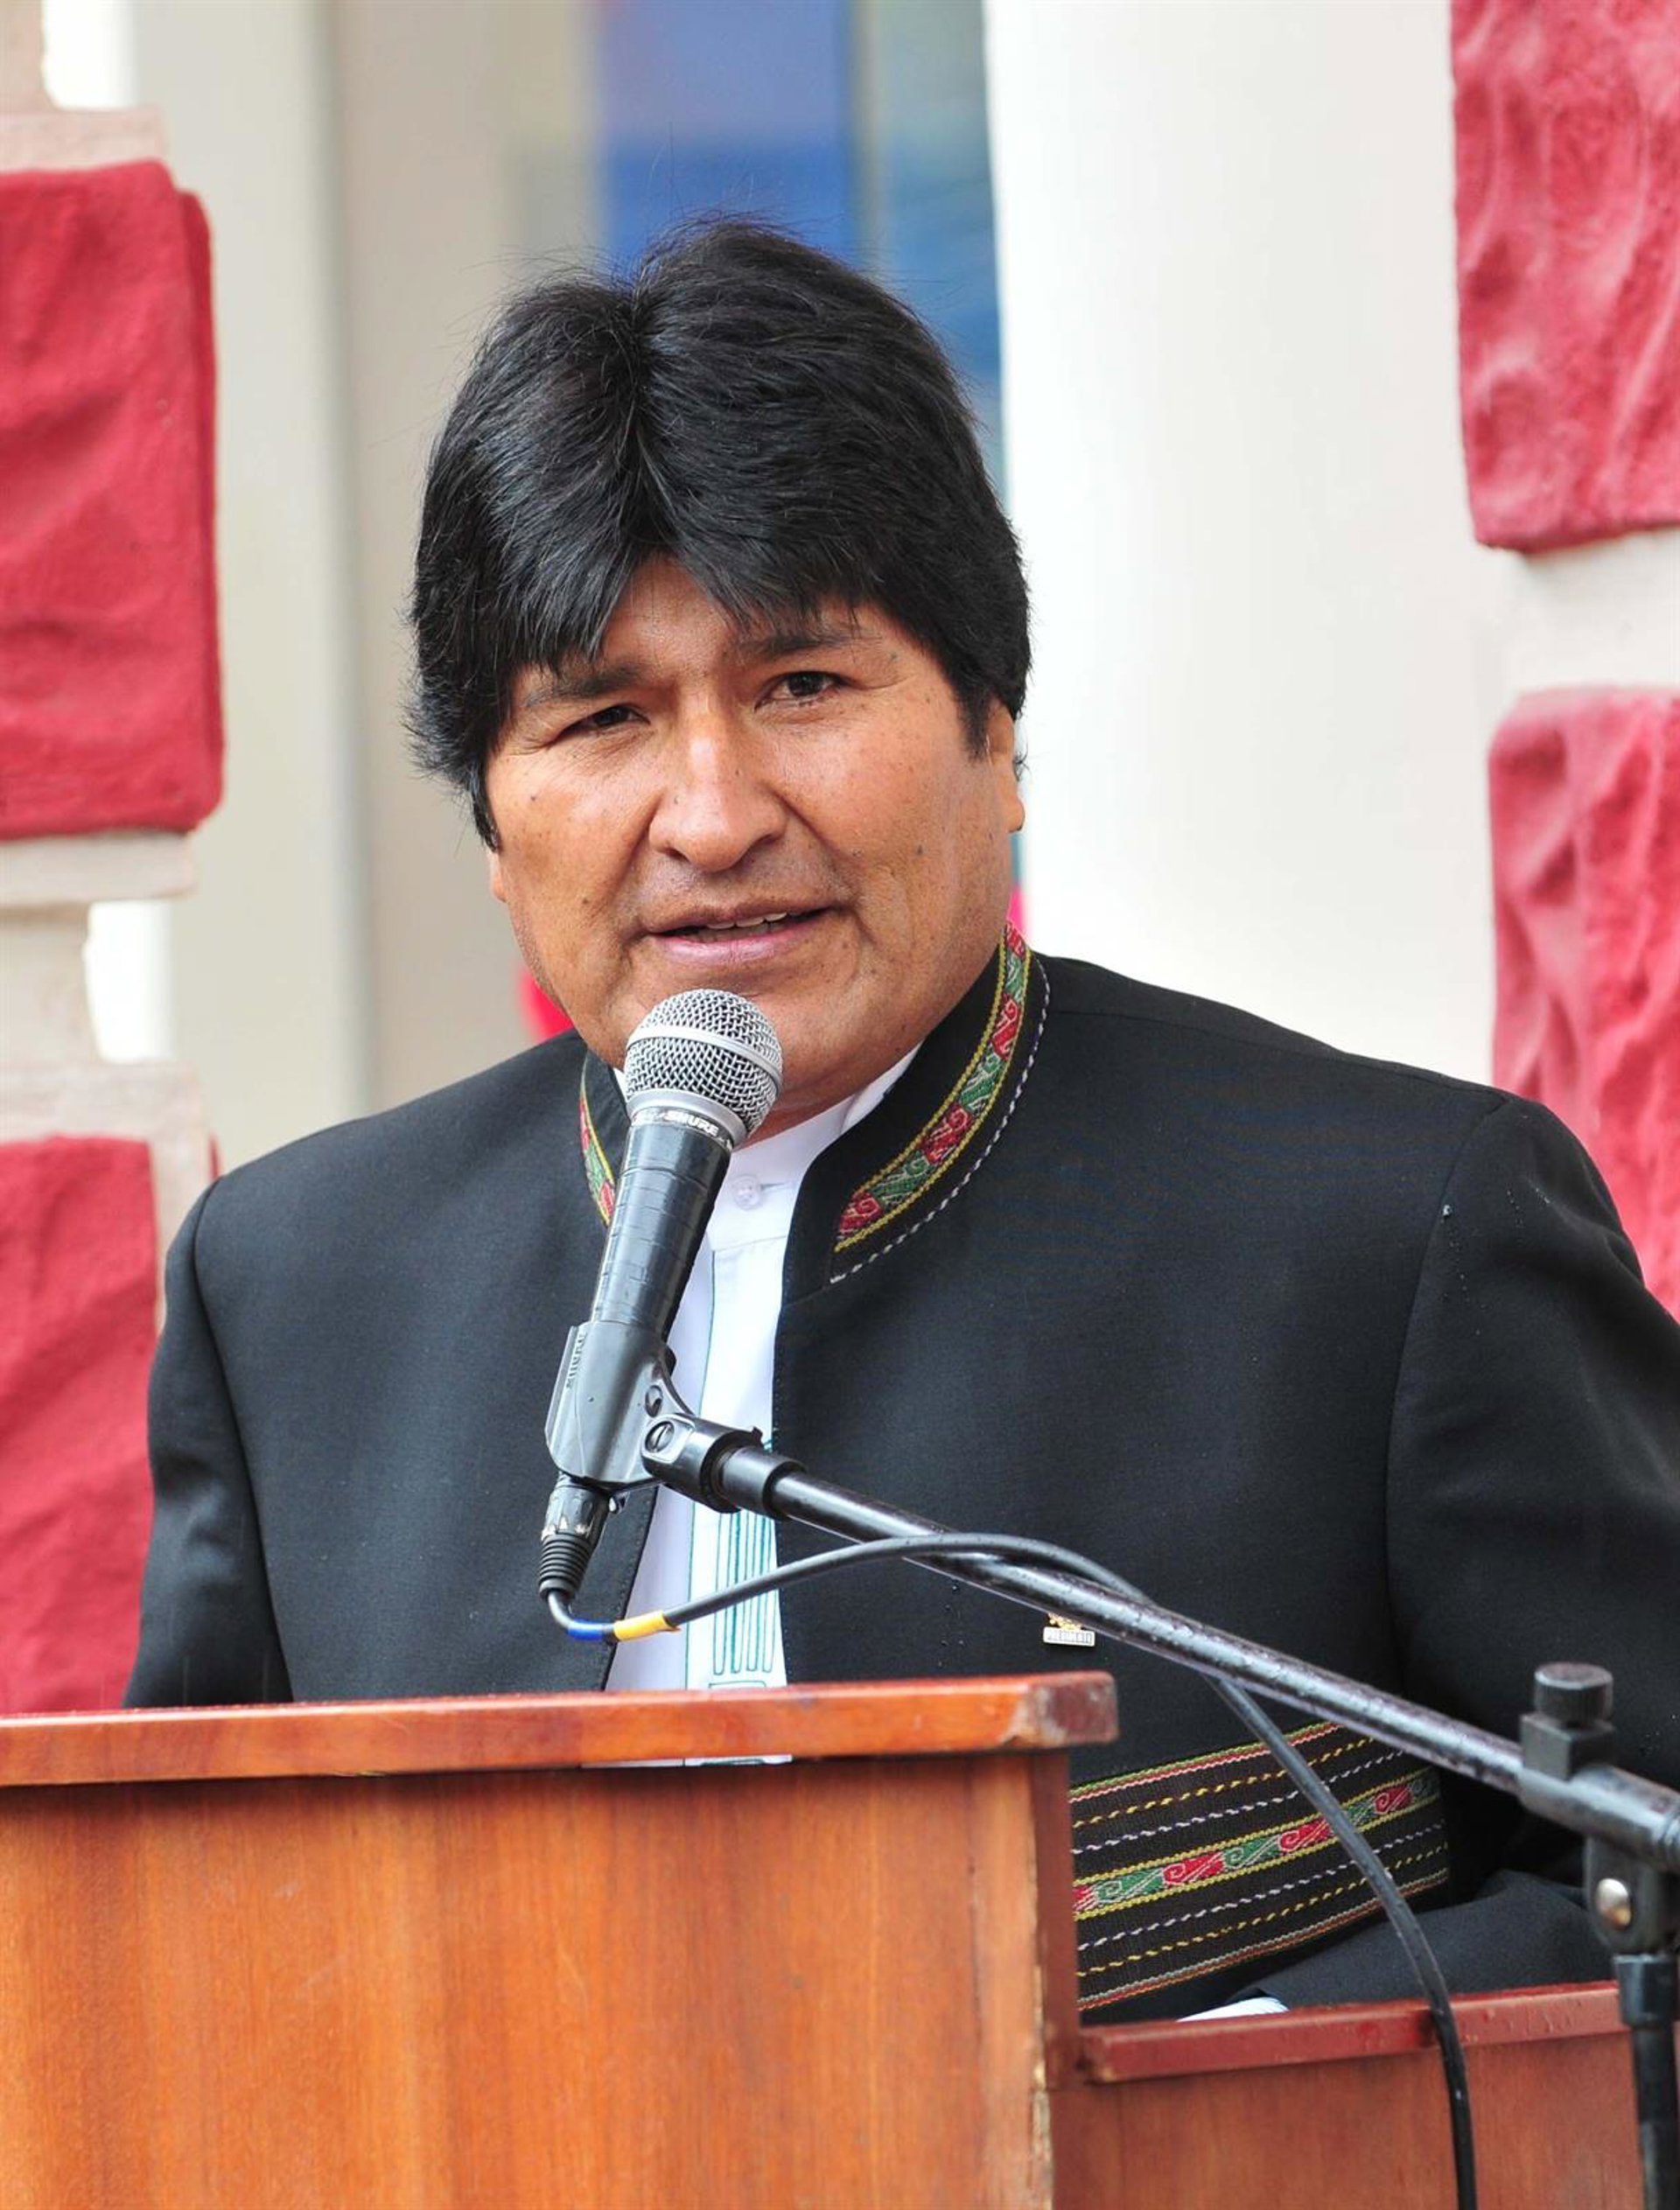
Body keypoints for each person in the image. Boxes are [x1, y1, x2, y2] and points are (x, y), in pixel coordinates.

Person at [129, 222, 1680, 2022]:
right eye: (604, 717)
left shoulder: (1395, 1236)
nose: (712, 815)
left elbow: (1643, 1877)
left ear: (996, 731)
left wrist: (1221, 2102)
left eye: (802, 686)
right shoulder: (294, 1292)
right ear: (492, 822)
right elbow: (179, 1953)